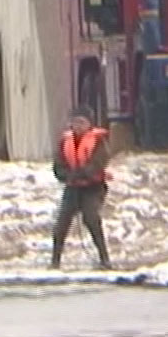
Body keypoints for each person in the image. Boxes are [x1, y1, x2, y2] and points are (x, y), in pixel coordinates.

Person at [50, 109, 113, 270]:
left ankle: (104, 259)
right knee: (61, 223)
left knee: (91, 218)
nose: (78, 126)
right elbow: (58, 165)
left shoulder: (99, 141)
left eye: (82, 122)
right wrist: (66, 176)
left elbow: (98, 163)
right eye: (75, 122)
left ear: (89, 125)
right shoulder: (65, 141)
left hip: (93, 187)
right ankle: (55, 261)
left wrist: (81, 174)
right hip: (72, 187)